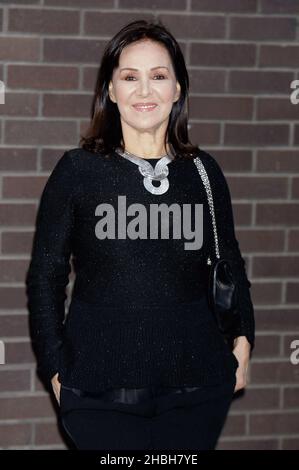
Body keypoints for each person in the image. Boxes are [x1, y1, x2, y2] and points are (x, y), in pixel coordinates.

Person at [25, 19, 255, 450]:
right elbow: (45, 277)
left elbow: (231, 263)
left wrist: (244, 341)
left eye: (159, 76)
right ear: (110, 90)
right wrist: (55, 368)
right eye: (130, 77)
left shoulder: (204, 173)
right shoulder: (77, 171)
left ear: (178, 89)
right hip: (98, 394)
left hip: (197, 391)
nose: (144, 91)